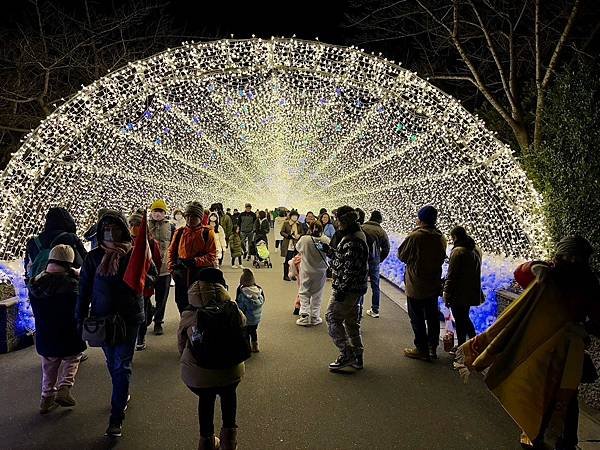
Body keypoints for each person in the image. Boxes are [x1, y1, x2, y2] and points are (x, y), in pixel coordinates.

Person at [455, 236, 600, 450]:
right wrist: (535, 266)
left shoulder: (567, 279)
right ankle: (550, 440)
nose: (571, 260)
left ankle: (548, 439)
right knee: (556, 399)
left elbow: (598, 320)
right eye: (569, 256)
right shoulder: (560, 278)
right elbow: (521, 272)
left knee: (551, 398)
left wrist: (584, 329)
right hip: (554, 355)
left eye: (574, 257)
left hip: (550, 354)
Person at [76, 210, 151, 437]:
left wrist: (141, 279)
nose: (110, 231)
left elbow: (152, 277)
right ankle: (122, 391)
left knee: (122, 365)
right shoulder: (94, 257)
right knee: (112, 363)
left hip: (128, 319)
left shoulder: (135, 253)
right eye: (106, 227)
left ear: (123, 229)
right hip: (103, 320)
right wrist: (79, 317)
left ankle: (116, 417)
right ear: (100, 231)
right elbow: (84, 289)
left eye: (114, 226)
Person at [178, 268, 246, 450]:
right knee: (229, 395)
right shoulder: (231, 307)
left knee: (206, 399)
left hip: (199, 373)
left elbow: (181, 342)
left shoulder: (190, 313)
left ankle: (206, 440)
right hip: (231, 369)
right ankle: (229, 441)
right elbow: (243, 324)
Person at [29, 245, 86, 414]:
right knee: (72, 358)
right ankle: (64, 388)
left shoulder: (35, 285)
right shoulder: (72, 285)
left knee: (49, 365)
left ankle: (46, 398)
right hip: (69, 333)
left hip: (45, 334)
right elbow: (81, 305)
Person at [398, 205, 447, 361]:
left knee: (417, 317)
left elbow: (402, 255)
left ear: (420, 219)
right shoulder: (441, 237)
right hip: (433, 284)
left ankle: (421, 349)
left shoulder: (416, 236)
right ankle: (433, 347)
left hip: (416, 285)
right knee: (432, 317)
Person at [325, 206, 369, 371]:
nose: (336, 221)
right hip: (355, 288)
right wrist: (333, 254)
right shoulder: (356, 235)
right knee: (351, 321)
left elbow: (349, 269)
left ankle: (346, 353)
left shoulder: (352, 240)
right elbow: (346, 260)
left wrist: (341, 290)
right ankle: (357, 355)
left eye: (337, 218)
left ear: (343, 220)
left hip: (347, 289)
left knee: (332, 318)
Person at [168, 201, 218, 313]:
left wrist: (195, 261)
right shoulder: (179, 232)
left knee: (200, 303)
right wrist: (172, 269)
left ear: (200, 218)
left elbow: (212, 255)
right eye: (188, 216)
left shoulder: (207, 233)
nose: (191, 219)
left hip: (199, 274)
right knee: (182, 302)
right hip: (182, 274)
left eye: (194, 216)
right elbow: (171, 252)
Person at [443, 226, 482, 347]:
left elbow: (452, 275)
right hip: (471, 290)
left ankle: (462, 346)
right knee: (464, 317)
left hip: (458, 292)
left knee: (460, 320)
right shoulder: (475, 249)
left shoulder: (458, 251)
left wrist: (446, 293)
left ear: (454, 237)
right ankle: (473, 342)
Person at [24, 207, 87, 282]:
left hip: (38, 286)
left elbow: (27, 267)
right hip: (65, 285)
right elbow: (85, 261)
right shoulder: (70, 237)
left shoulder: (33, 241)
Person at [129, 210, 162, 351]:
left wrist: (151, 280)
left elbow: (156, 263)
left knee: (142, 312)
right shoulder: (125, 241)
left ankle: (140, 337)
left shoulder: (150, 242)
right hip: (128, 284)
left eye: (136, 224)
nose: (133, 227)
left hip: (144, 284)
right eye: (131, 224)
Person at [295, 221, 331, 326]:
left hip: (306, 270)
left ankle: (304, 315)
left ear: (310, 229)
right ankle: (315, 316)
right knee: (317, 294)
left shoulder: (304, 239)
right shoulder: (325, 240)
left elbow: (298, 248)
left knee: (304, 292)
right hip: (320, 272)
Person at [148, 199, 174, 336]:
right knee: (144, 296)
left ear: (165, 213)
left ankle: (158, 322)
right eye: (155, 211)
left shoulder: (171, 227)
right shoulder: (145, 226)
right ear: (151, 212)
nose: (157, 214)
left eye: (160, 211)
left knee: (161, 297)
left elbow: (174, 246)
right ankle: (147, 315)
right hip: (147, 268)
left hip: (164, 268)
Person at [360, 211, 391, 319]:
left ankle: (359, 309)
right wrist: (379, 259)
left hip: (361, 261)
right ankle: (375, 309)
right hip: (374, 262)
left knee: (360, 284)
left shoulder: (362, 227)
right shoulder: (381, 231)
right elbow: (386, 248)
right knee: (375, 286)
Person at [236, 269, 265, 353]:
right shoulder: (259, 291)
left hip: (247, 318)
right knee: (253, 331)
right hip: (256, 318)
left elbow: (240, 307)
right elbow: (263, 301)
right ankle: (255, 346)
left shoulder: (243, 295)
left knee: (246, 334)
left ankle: (247, 347)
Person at [280, 210, 303, 281]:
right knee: (288, 260)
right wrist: (288, 236)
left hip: (296, 244)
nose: (295, 217)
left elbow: (302, 232)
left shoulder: (299, 224)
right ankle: (285, 275)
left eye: (296, 216)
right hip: (288, 244)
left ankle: (293, 274)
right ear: (290, 216)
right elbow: (282, 232)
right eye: (293, 216)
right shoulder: (286, 223)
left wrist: (299, 235)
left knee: (295, 260)